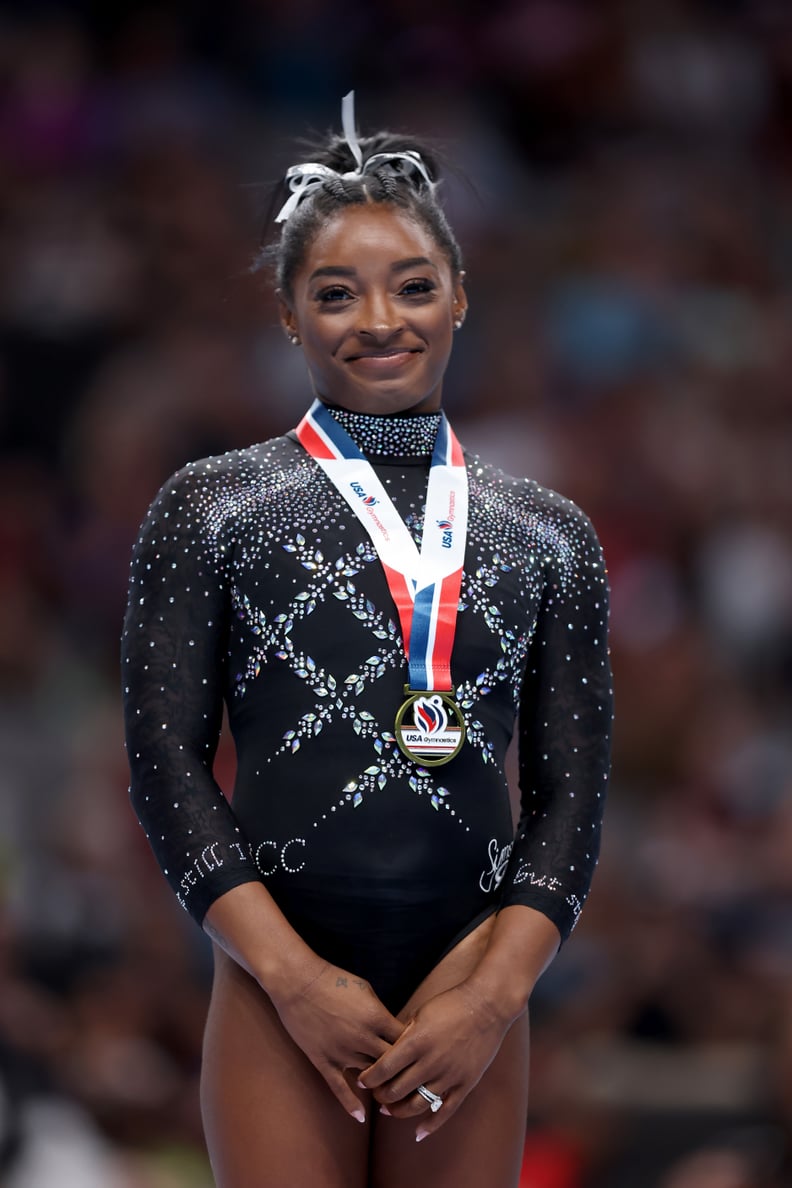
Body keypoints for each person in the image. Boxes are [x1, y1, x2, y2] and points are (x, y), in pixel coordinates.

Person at [121, 93, 612, 1188]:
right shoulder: (216, 507)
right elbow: (163, 761)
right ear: (290, 315)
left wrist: (493, 1000)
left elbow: (573, 793)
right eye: (336, 293)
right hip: (280, 958)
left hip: (468, 967)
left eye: (414, 285)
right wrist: (291, 978)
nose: (378, 318)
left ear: (461, 299)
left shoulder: (546, 534)